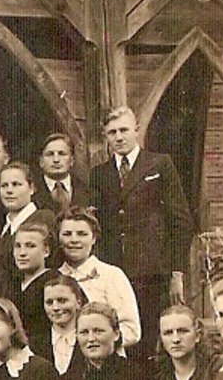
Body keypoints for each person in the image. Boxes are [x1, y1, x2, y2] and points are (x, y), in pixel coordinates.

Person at [89, 105, 193, 358]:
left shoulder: (159, 164)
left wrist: (176, 273)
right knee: (122, 340)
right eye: (112, 132)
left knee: (152, 342)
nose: (119, 137)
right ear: (106, 137)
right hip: (116, 272)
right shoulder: (100, 174)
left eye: (124, 130)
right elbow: (96, 227)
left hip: (153, 273)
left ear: (136, 130)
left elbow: (181, 222)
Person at [57, 208, 141, 351]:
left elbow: (132, 329)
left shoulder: (111, 275)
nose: (74, 240)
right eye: (67, 234)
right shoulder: (54, 277)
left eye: (82, 234)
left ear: (93, 238)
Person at [0, 161, 54, 276]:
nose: (9, 191)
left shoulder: (44, 219)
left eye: (16, 184)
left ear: (31, 188)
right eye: (4, 185)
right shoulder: (1, 226)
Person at [11, 219, 54, 357]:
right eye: (18, 246)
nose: (22, 253)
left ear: (46, 251)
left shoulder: (55, 282)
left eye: (30, 246)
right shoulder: (11, 284)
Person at [32, 133, 90, 221]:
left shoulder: (88, 191)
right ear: (41, 161)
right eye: (50, 154)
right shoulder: (31, 192)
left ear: (72, 160)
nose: (56, 160)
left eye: (62, 154)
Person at [42, 273, 87, 377]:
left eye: (62, 301)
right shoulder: (34, 344)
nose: (55, 307)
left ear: (78, 303)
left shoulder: (89, 340)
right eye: (49, 302)